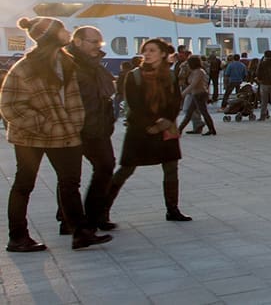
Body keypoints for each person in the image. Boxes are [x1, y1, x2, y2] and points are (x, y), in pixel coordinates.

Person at [1, 17, 108, 252]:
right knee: (24, 184)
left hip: (64, 134)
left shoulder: (65, 61)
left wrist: (73, 124)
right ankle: (18, 237)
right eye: (61, 30)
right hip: (30, 137)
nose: (67, 32)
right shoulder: (24, 68)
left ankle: (80, 232)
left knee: (70, 182)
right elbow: (10, 106)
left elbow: (74, 100)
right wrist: (44, 123)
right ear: (50, 35)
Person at [105, 39, 190, 224]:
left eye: (152, 50)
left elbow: (176, 101)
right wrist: (153, 122)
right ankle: (103, 211)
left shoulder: (171, 75)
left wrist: (165, 121)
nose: (147, 54)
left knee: (171, 169)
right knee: (126, 169)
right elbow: (134, 104)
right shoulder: (134, 76)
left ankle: (172, 209)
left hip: (166, 128)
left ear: (162, 54)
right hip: (140, 130)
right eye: (145, 51)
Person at [64, 26, 116, 236]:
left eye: (100, 42)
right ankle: (79, 224)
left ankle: (90, 220)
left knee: (104, 167)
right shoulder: (69, 65)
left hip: (97, 129)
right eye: (93, 42)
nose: (98, 46)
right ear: (77, 42)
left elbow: (106, 94)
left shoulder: (94, 66)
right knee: (70, 179)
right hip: (77, 129)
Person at [178, 55, 216, 135]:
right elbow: (181, 76)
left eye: (189, 63)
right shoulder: (194, 71)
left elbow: (193, 85)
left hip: (200, 94)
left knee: (203, 112)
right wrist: (183, 66)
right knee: (189, 112)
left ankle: (211, 129)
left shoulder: (199, 72)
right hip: (196, 94)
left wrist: (182, 94)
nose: (187, 65)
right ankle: (180, 130)